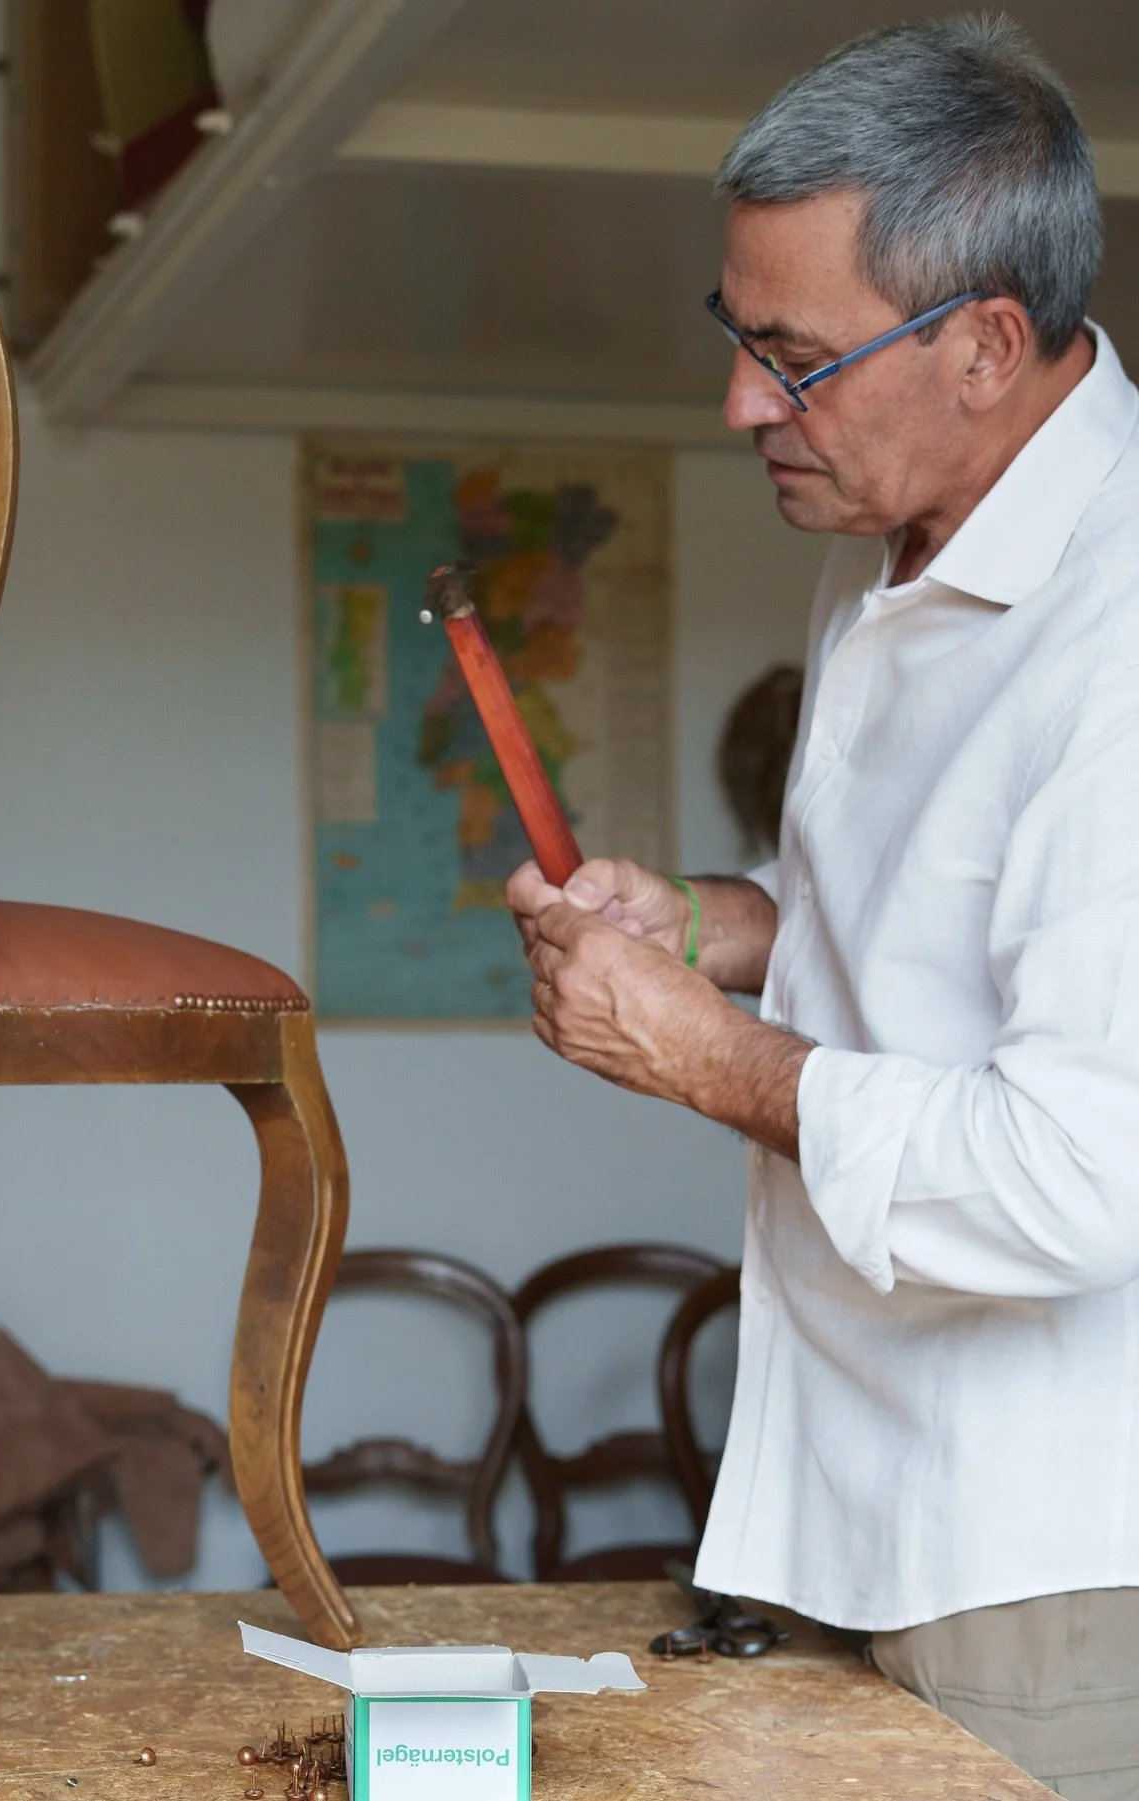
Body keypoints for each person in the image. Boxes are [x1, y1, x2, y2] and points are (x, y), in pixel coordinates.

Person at [506, 17, 1139, 1796]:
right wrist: (715, 923)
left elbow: (1084, 1175)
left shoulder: (1125, 630)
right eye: (736, 336)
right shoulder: (894, 552)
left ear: (985, 347)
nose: (736, 406)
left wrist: (717, 1063)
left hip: (1045, 1554)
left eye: (791, 357)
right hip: (840, 1491)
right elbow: (926, 915)